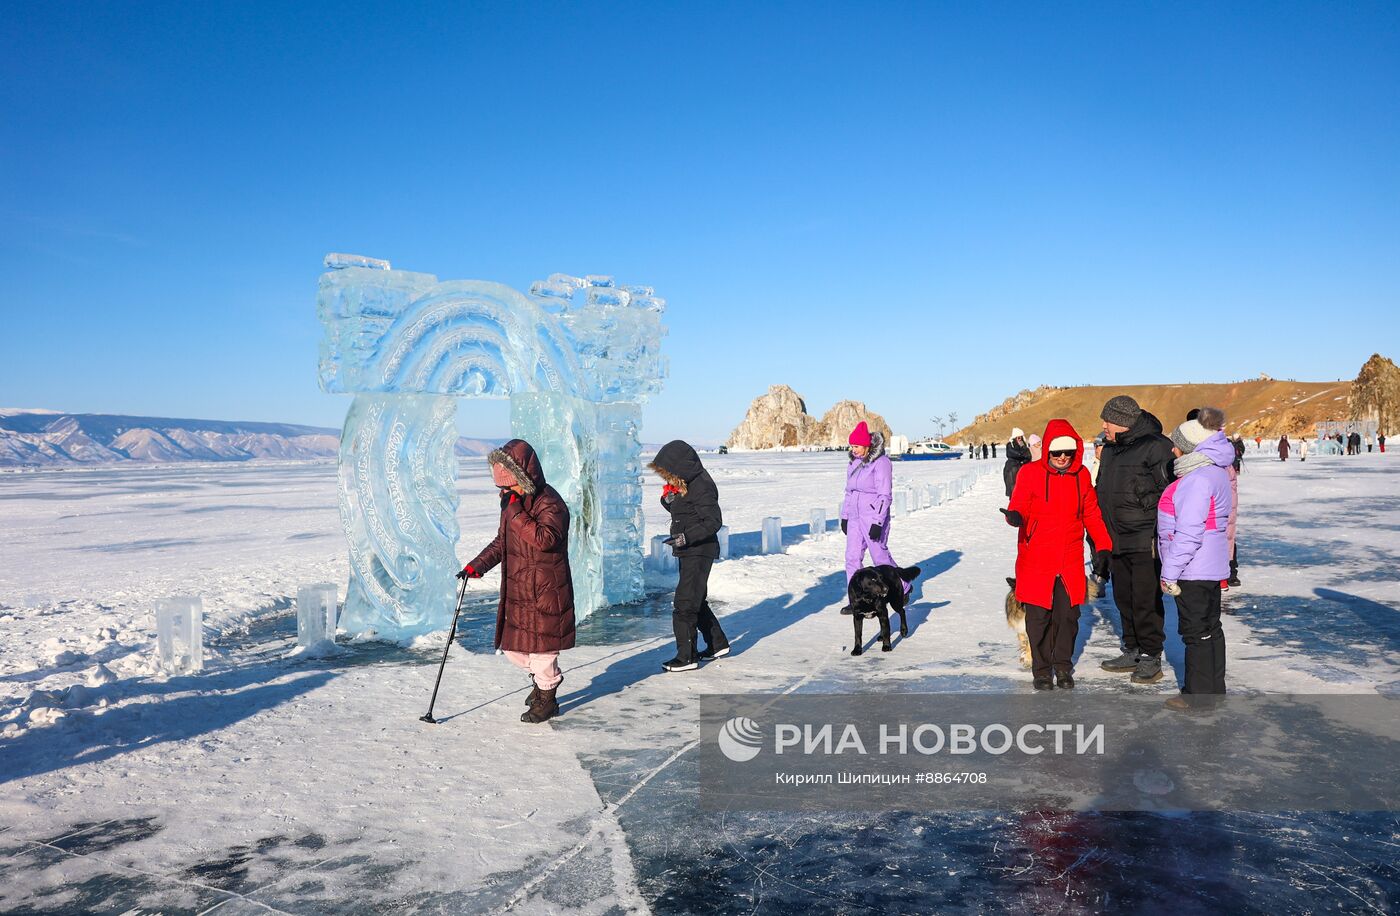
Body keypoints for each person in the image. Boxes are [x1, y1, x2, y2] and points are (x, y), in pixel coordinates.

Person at [460, 439, 575, 724]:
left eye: (508, 487)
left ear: (524, 478)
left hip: (547, 590)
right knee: (514, 648)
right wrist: (477, 566)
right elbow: (504, 542)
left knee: (543, 651)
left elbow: (545, 539)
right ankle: (540, 681)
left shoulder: (550, 502)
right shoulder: (514, 504)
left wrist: (515, 512)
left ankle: (547, 697)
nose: (504, 493)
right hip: (521, 588)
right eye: (501, 488)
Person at [1002, 420, 1112, 690]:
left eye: (1068, 453)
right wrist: (1015, 517)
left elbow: (1092, 514)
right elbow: (1018, 504)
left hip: (1069, 557)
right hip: (1036, 557)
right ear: (1048, 451)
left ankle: (1062, 666)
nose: (1063, 458)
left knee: (1068, 617)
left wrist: (1104, 545)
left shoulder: (1082, 476)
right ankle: (1041, 670)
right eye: (1056, 453)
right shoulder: (1029, 473)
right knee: (1038, 618)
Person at [1094, 395, 1176, 684]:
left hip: (1145, 537)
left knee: (1145, 600)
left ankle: (1151, 655)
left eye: (1108, 420)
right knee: (1124, 599)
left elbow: (1171, 492)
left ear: (1124, 422)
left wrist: (1146, 504)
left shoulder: (1157, 446)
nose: (1103, 425)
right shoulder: (1112, 449)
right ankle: (1132, 649)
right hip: (1116, 538)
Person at [1159, 418, 1235, 699]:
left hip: (1193, 568)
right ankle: (1213, 689)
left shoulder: (1197, 480)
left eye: (1177, 446)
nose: (1173, 452)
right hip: (1209, 565)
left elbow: (1189, 532)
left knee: (1197, 633)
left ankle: (1198, 695)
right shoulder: (1215, 472)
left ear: (1189, 448)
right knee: (1210, 629)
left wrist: (1170, 571)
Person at [649, 440, 729, 672]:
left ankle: (686, 657)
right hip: (689, 551)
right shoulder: (687, 484)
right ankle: (717, 644)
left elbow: (713, 521)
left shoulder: (702, 485)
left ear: (681, 466)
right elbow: (686, 511)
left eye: (669, 471)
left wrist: (686, 538)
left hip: (699, 551)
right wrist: (668, 501)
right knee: (695, 600)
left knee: (684, 604)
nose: (667, 477)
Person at [841, 422, 909, 597]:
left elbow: (884, 495)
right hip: (855, 518)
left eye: (856, 446)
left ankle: (903, 586)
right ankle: (856, 598)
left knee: (880, 557)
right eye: (852, 446)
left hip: (873, 517)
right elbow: (849, 492)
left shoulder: (881, 462)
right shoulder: (853, 463)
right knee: (852, 558)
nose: (853, 449)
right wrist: (845, 516)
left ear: (867, 445)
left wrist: (878, 522)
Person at [1004, 428, 1032, 498]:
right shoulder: (1010, 445)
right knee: (1012, 487)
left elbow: (1028, 455)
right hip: (1011, 467)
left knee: (1022, 487)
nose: (1019, 438)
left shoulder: (1023, 445)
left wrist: (1024, 459)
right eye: (1018, 437)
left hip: (1021, 467)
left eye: (1021, 437)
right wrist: (1022, 455)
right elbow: (1012, 453)